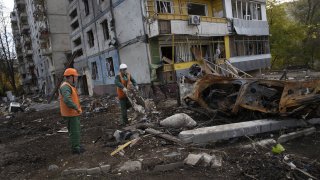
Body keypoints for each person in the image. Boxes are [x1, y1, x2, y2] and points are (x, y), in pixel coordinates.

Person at [59, 68, 84, 154]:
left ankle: (76, 145)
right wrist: (76, 108)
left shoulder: (68, 86)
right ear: (70, 77)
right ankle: (75, 149)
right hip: (70, 114)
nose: (76, 78)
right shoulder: (65, 86)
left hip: (72, 113)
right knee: (74, 131)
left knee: (75, 130)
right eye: (75, 77)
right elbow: (67, 100)